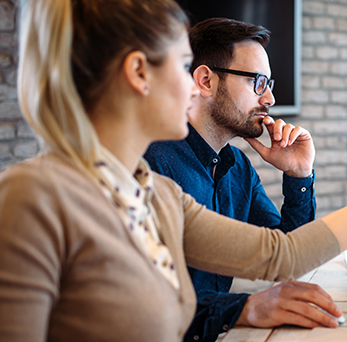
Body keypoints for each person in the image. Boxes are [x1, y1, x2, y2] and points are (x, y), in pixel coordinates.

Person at [0, 0, 347, 341]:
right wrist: (243, 309)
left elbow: (283, 255)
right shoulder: (33, 196)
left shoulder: (151, 193)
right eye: (183, 66)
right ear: (140, 73)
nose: (190, 82)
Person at [143, 18, 320, 342]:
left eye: (270, 84)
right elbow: (147, 302)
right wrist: (245, 308)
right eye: (258, 82)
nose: (269, 99)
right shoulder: (150, 164)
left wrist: (299, 174)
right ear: (206, 81)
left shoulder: (237, 166)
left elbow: (289, 258)